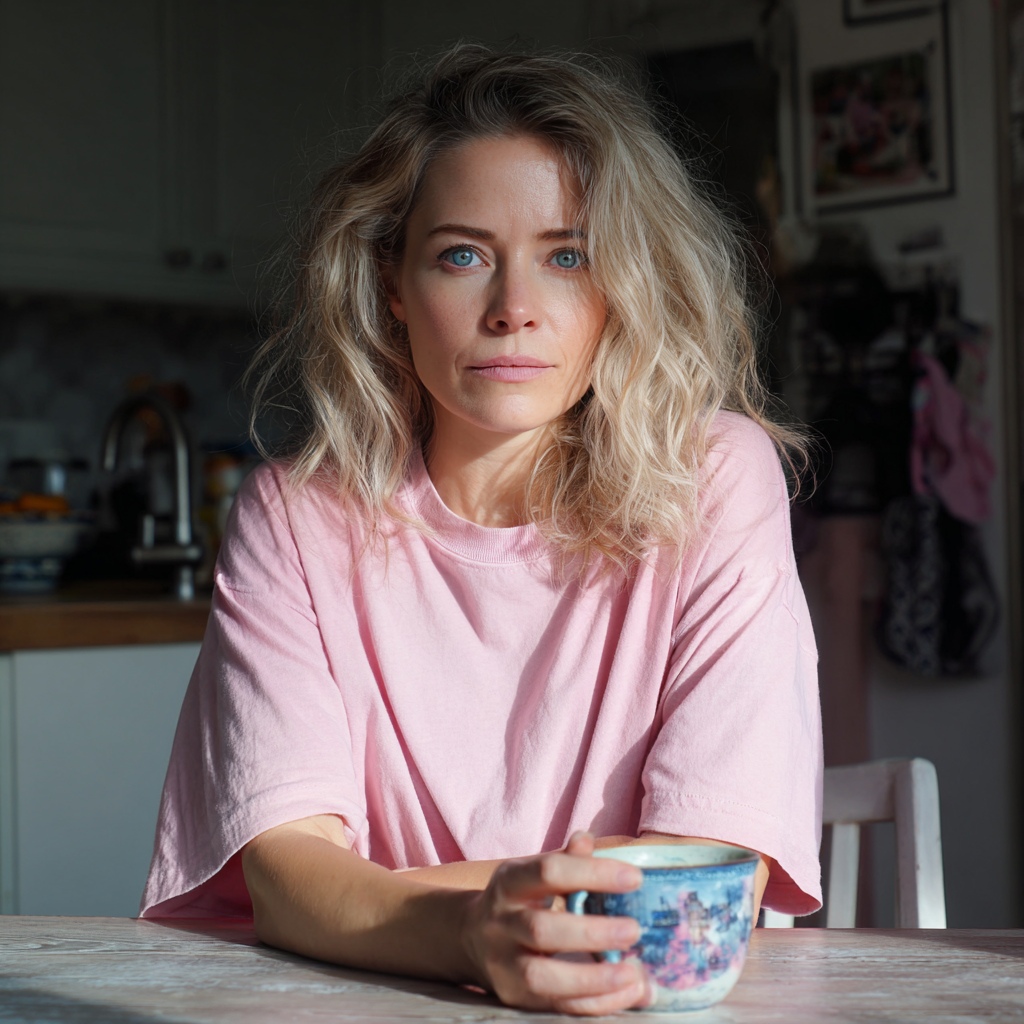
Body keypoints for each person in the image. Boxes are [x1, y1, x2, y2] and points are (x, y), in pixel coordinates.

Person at [141, 45, 822, 1017]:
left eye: (566, 255)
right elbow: (288, 876)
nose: (513, 310)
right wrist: (470, 932)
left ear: (622, 284)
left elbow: (705, 890)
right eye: (462, 254)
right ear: (389, 283)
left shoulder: (712, 478)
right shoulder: (294, 517)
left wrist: (383, 903)